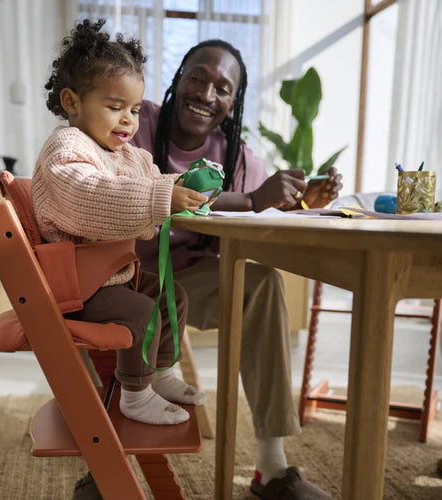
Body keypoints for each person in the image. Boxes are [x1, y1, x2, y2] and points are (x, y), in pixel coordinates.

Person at [131, 39, 342, 499]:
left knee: (262, 283)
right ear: (179, 78)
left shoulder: (236, 157)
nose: (207, 94)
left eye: (223, 88)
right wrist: (249, 199)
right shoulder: (137, 121)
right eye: (199, 78)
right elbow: (139, 185)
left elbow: (260, 217)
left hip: (186, 284)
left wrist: (303, 203)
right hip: (122, 279)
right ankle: (104, 457)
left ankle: (271, 468)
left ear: (234, 102)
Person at [31, 19, 209, 432]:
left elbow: (151, 181)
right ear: (72, 102)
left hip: (109, 275)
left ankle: (161, 371)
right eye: (114, 107)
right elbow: (88, 197)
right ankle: (135, 393)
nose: (128, 120)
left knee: (172, 296)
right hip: (75, 284)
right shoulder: (67, 147)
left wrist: (181, 186)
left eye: (134, 109)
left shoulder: (126, 155)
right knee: (142, 311)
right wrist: (159, 198)